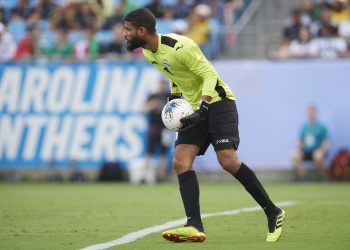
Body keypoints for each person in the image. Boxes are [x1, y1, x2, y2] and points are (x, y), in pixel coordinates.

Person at [123, 8, 286, 243]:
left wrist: (204, 106)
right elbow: (174, 74)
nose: (124, 33)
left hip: (218, 102)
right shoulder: (149, 53)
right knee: (180, 161)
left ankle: (273, 212)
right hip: (192, 108)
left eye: (128, 29)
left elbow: (210, 74)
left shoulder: (180, 46)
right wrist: (174, 100)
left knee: (228, 161)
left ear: (142, 30)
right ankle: (195, 225)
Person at [144, 77, 171, 182]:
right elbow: (144, 109)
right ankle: (147, 175)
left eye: (164, 84)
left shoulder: (168, 96)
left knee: (163, 152)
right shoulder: (152, 96)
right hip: (153, 128)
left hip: (165, 129)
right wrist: (154, 104)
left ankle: (161, 175)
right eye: (161, 84)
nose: (162, 86)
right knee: (149, 151)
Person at [292, 105, 330, 181]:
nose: (311, 115)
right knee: (295, 156)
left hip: (317, 151)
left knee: (318, 156)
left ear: (316, 113)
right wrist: (298, 149)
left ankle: (323, 177)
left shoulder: (322, 126)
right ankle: (302, 178)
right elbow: (300, 141)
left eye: (313, 113)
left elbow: (327, 141)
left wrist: (322, 150)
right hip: (305, 151)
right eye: (309, 113)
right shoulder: (304, 126)